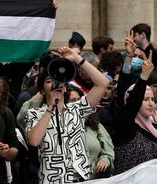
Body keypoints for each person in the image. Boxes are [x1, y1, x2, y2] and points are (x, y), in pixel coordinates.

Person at [25, 46, 109, 183]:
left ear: (64, 86)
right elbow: (34, 141)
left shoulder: (77, 109)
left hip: (81, 179)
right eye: (48, 81)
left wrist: (77, 59)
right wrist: (51, 108)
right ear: (41, 89)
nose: (54, 84)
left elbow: (103, 83)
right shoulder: (34, 113)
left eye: (57, 80)